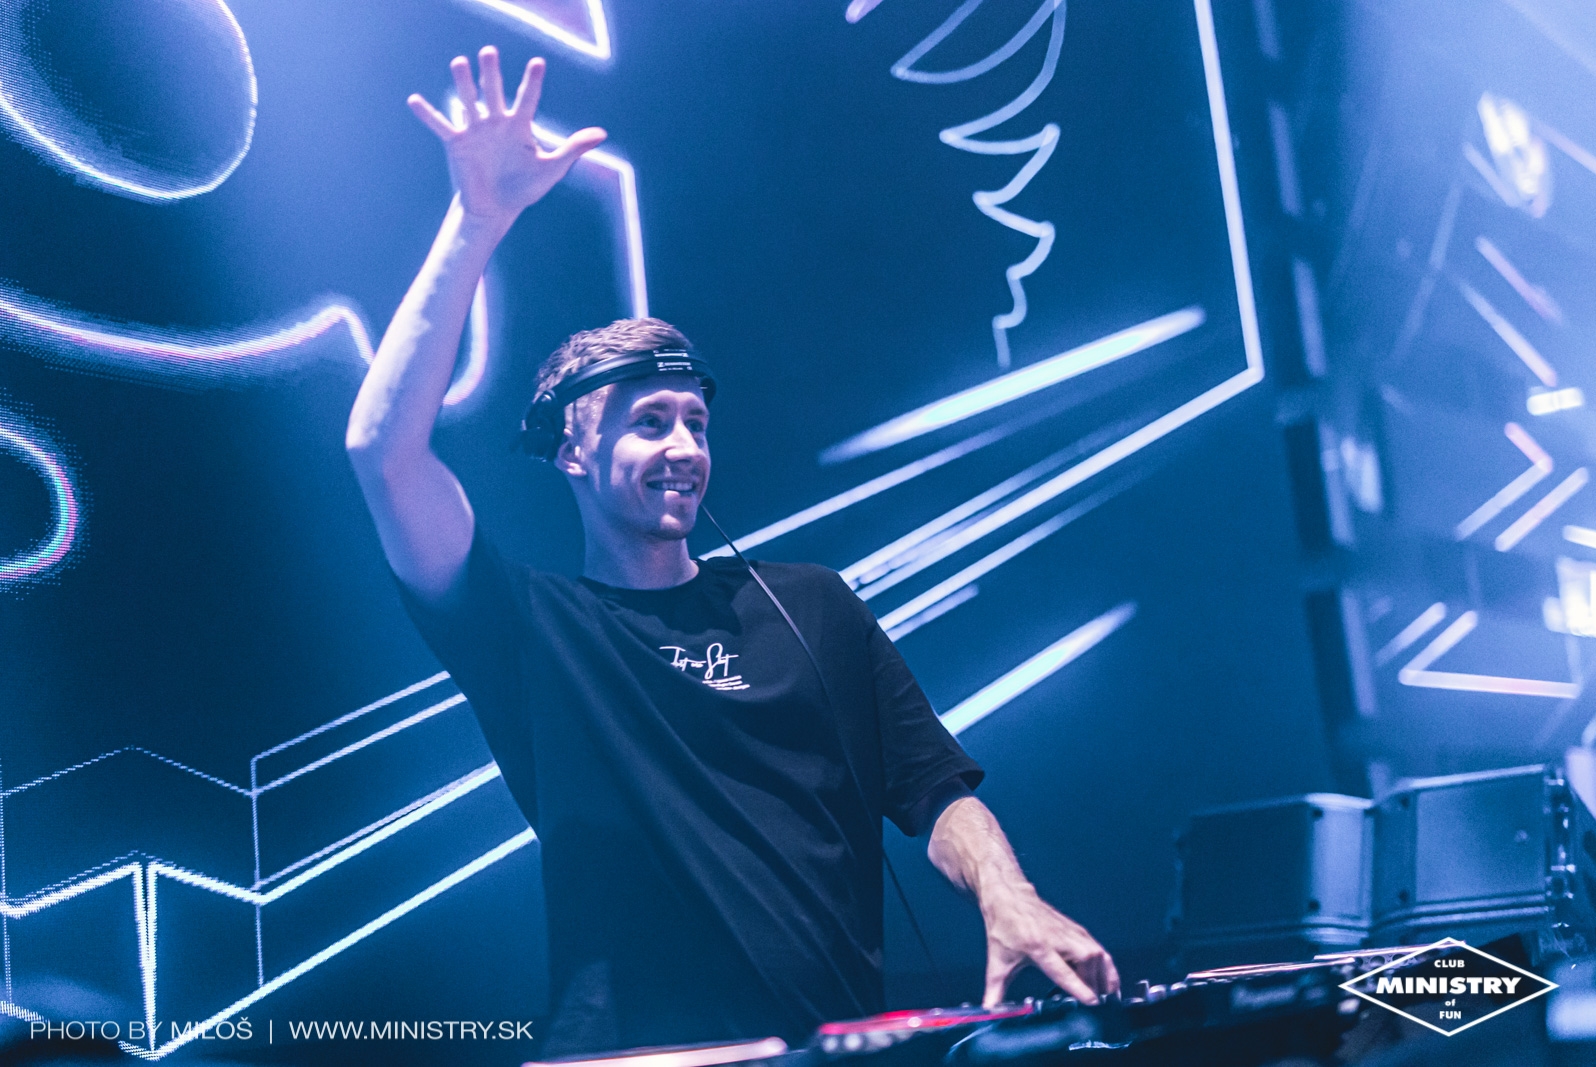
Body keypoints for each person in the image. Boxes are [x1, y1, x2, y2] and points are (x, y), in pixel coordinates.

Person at [346, 46, 1119, 1056]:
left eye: (695, 422)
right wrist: (477, 220)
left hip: (839, 1045)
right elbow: (382, 451)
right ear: (570, 449)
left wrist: (1008, 894)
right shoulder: (529, 626)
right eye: (648, 421)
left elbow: (933, 789)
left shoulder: (813, 605)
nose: (684, 447)